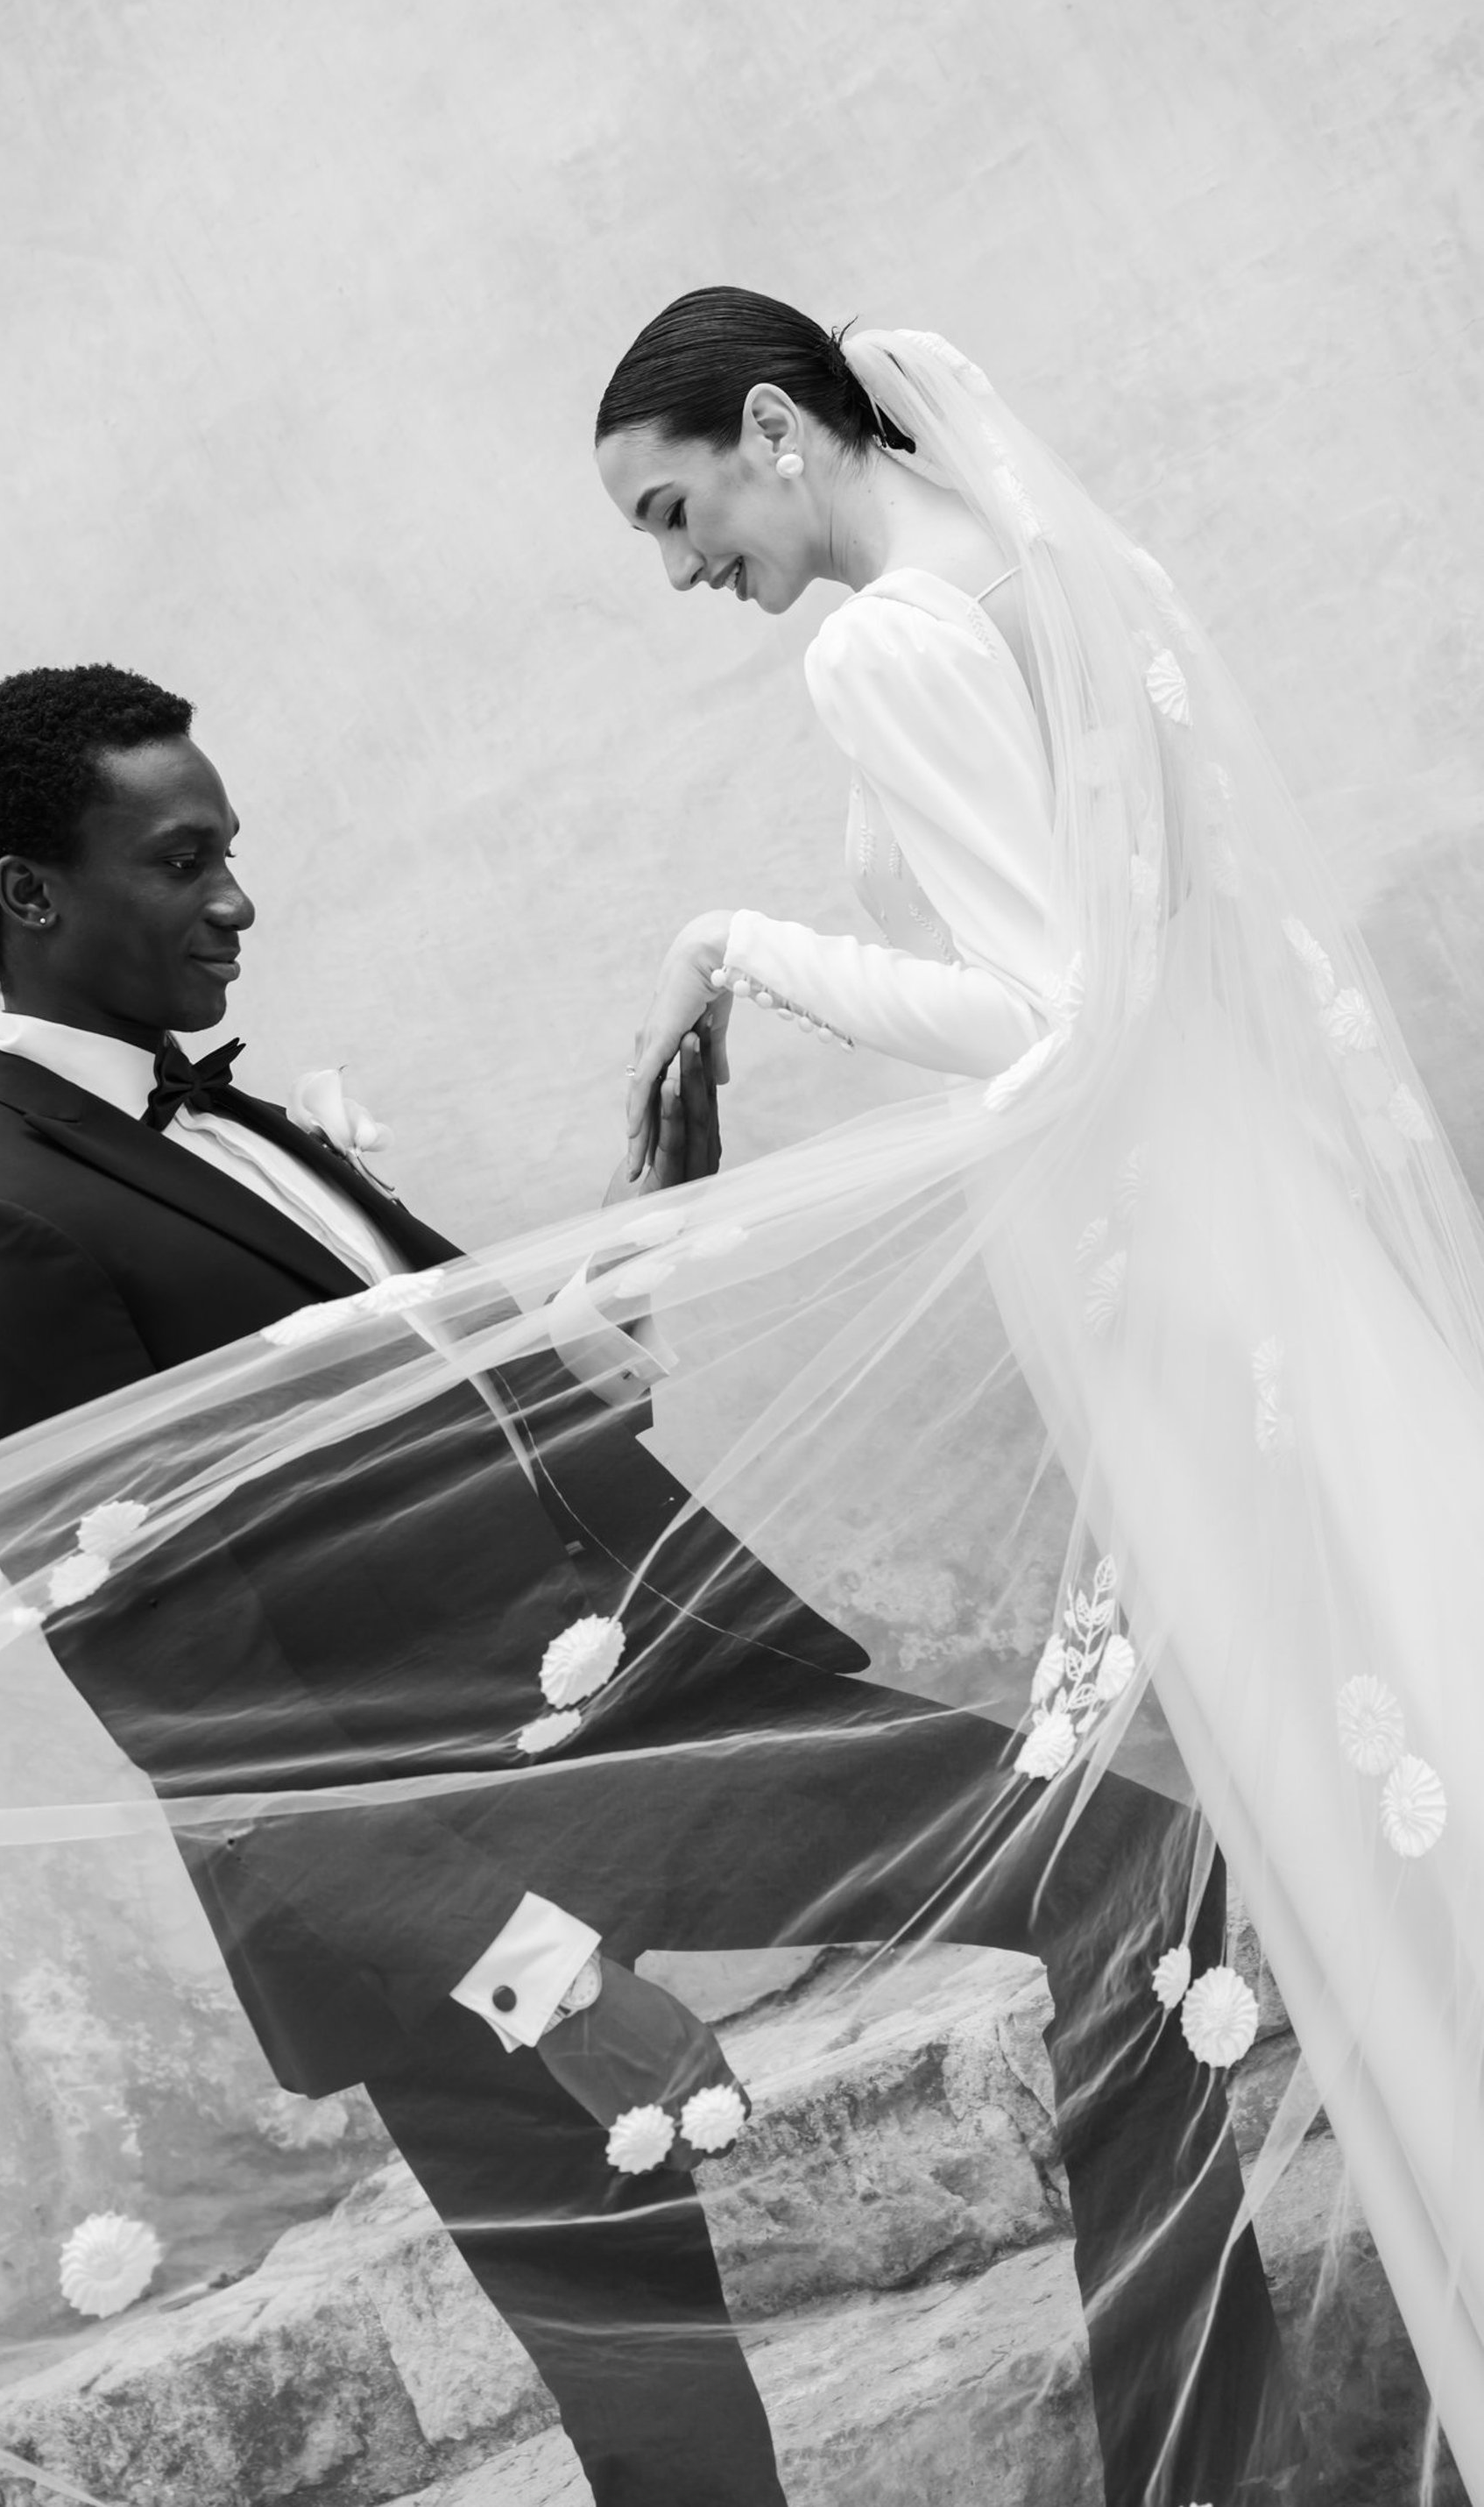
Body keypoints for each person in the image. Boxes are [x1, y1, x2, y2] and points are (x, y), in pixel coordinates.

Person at [0, 664, 1290, 2507]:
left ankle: (1205, 2474)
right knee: (672, 2427)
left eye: (233, 852)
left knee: (1129, 1858)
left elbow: (521, 1414)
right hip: (431, 1893)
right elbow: (188, 1710)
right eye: (185, 857)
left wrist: (652, 1204)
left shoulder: (253, 1130)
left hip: (656, 1724)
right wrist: (540, 1980)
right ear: (29, 901)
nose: (237, 898)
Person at [592, 288, 1484, 2496]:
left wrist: (740, 944)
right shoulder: (1063, 572)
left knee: (1354, 1759)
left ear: (779, 426)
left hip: (1166, 1273)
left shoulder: (881, 642)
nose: (681, 565)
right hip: (1257, 1221)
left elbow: (1042, 1004)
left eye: (676, 506)